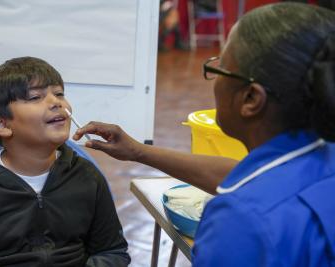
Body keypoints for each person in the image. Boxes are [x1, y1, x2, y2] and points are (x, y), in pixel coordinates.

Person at [73, 3, 335, 266]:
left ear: (251, 98)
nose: (213, 79)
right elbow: (238, 175)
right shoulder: (320, 157)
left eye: (219, 67)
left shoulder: (240, 222)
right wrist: (138, 151)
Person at [0, 57, 130, 266]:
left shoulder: (87, 177)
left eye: (59, 93)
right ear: (1, 124)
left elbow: (112, 251)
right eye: (35, 97)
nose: (57, 102)